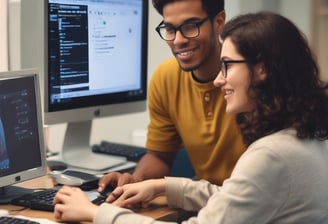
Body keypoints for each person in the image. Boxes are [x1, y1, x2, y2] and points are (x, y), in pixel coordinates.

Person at [53, 11, 328, 223]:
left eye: (228, 66)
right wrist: (161, 186)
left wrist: (93, 212)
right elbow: (237, 199)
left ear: (262, 69)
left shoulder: (271, 156)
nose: (219, 80)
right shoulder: (305, 136)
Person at [98, 0, 245, 190]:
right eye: (169, 29)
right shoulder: (165, 78)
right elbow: (160, 155)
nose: (178, 40)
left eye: (190, 26)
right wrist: (135, 180)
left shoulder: (249, 78)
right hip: (206, 204)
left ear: (218, 22)